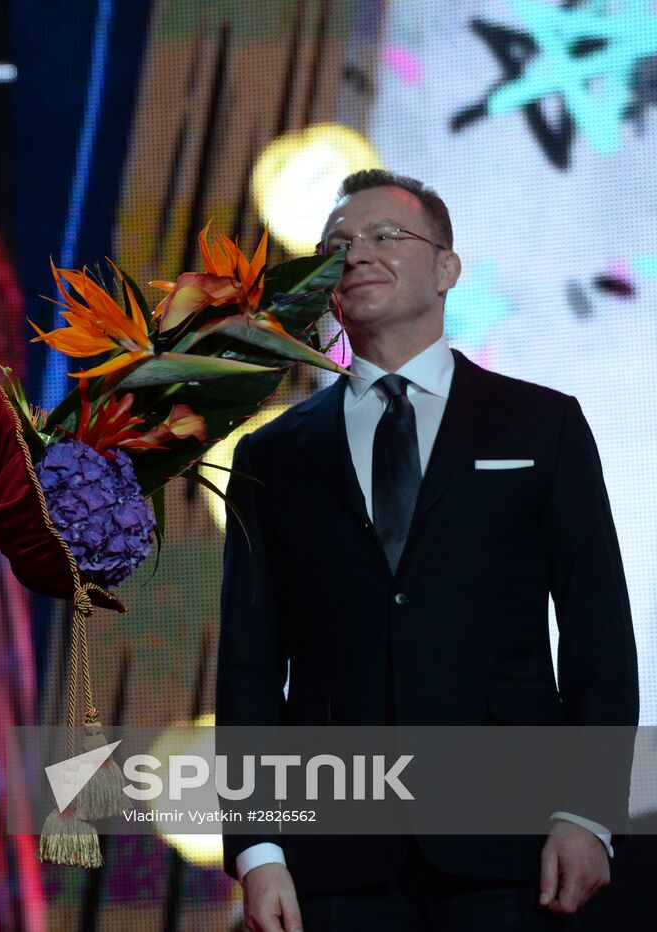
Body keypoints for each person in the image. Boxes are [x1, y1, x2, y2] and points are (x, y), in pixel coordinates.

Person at [216, 169, 638, 931]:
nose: (357, 256)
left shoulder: (541, 426)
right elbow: (249, 666)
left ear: (447, 267)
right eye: (337, 245)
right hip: (335, 853)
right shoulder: (273, 455)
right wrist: (259, 849)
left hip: (510, 842)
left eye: (385, 236)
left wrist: (589, 811)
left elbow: (597, 636)